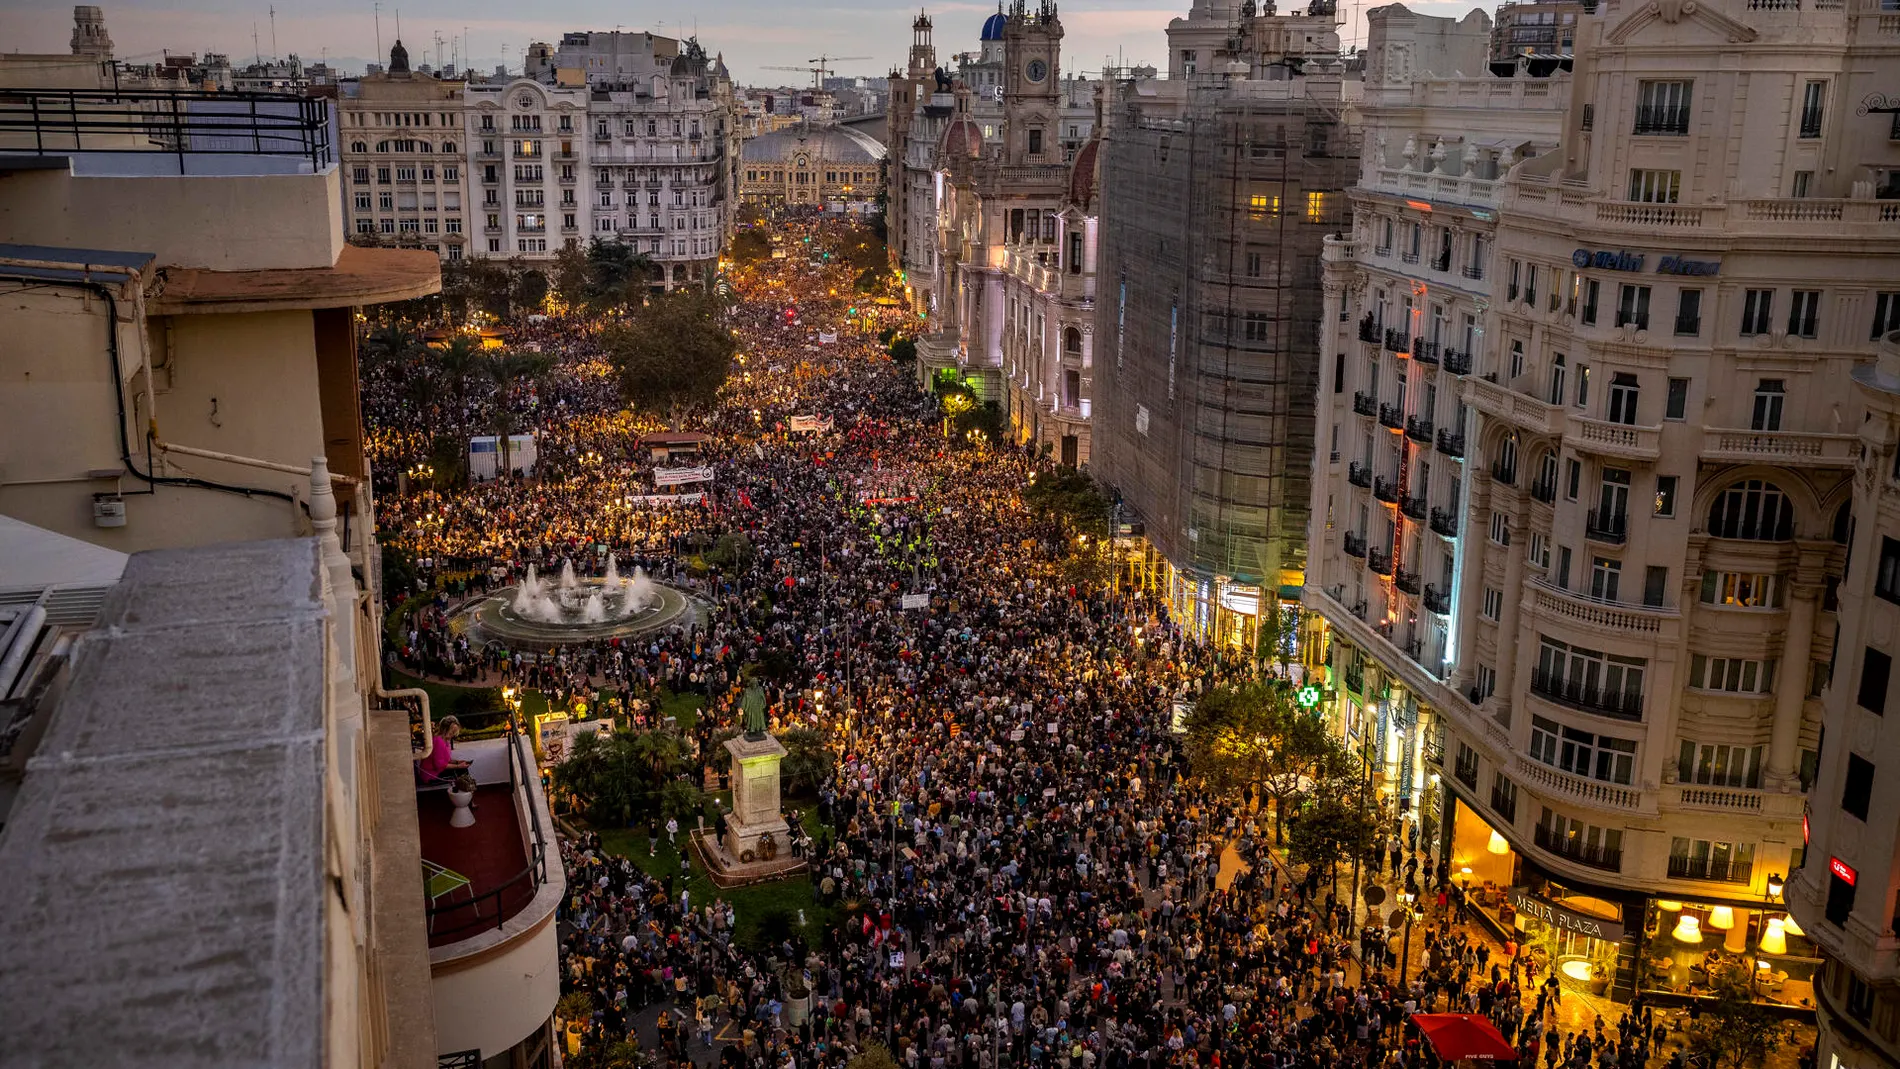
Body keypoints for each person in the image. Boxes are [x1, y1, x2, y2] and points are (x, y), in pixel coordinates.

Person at [416, 715, 470, 783]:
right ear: (445, 729)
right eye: (452, 731)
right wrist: (458, 766)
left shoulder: (445, 741)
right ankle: (463, 791)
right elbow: (440, 765)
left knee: (462, 770)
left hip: (437, 771)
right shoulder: (438, 741)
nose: (453, 734)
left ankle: (462, 791)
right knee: (462, 771)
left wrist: (457, 762)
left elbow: (445, 760)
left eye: (455, 732)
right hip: (431, 775)